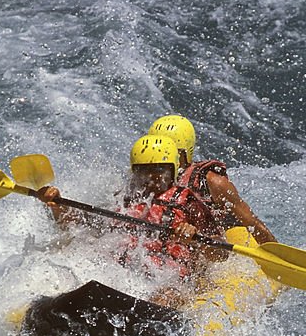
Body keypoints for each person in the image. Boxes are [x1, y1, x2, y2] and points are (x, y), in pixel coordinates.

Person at [34, 135, 227, 305]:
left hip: (174, 280)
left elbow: (221, 253)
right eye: (144, 170)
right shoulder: (124, 199)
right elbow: (82, 225)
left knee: (167, 296)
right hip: (128, 274)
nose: (152, 177)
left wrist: (195, 236)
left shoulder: (188, 202)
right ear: (134, 172)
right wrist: (58, 206)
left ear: (173, 170)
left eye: (160, 169)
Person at [148, 115, 277, 244]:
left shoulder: (212, 181)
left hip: (220, 239)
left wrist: (278, 255)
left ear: (187, 153)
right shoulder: (147, 178)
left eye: (173, 152)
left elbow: (251, 222)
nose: (165, 158)